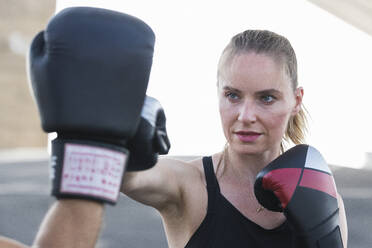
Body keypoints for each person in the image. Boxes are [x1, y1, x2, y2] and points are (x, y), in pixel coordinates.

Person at [121, 30, 348, 247]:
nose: (246, 116)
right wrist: (123, 131)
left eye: (266, 98)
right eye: (233, 96)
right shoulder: (188, 184)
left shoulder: (324, 200)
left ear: (296, 100)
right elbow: (129, 177)